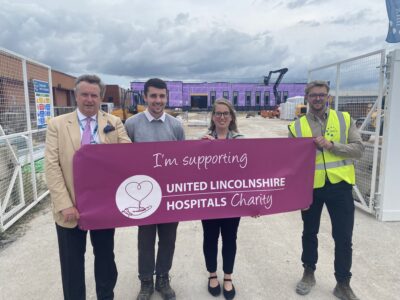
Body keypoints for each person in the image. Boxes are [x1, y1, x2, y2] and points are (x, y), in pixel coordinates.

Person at [45, 74, 131, 300]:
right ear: (76, 96)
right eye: (85, 94)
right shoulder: (57, 125)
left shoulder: (114, 123)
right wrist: (64, 205)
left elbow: (128, 157)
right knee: (72, 264)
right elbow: (52, 168)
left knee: (105, 259)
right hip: (69, 209)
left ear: (101, 97)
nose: (89, 99)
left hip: (103, 208)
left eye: (94, 95)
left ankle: (106, 296)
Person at [288, 80, 364, 300]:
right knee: (309, 233)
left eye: (321, 95)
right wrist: (294, 194)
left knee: (343, 237)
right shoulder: (296, 126)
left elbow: (359, 149)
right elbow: (292, 163)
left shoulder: (344, 119)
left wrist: (333, 146)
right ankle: (308, 273)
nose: (318, 99)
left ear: (328, 96)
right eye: (313, 95)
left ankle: (342, 283)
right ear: (307, 98)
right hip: (310, 188)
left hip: (340, 186)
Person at [124, 78, 185, 300]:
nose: (158, 101)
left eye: (161, 96)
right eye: (153, 96)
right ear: (145, 97)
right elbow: (123, 159)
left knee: (168, 239)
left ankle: (163, 278)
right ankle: (146, 281)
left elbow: (182, 161)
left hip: (169, 194)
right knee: (146, 240)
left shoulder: (176, 126)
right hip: (143, 195)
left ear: (166, 97)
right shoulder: (132, 124)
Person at [201, 99, 243, 300]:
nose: (222, 117)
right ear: (212, 116)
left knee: (230, 238)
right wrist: (201, 148)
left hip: (232, 200)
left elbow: (252, 172)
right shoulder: (204, 140)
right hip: (209, 200)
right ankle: (212, 275)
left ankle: (228, 276)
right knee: (210, 237)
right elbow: (193, 170)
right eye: (218, 113)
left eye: (226, 113)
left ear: (231, 116)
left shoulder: (241, 140)